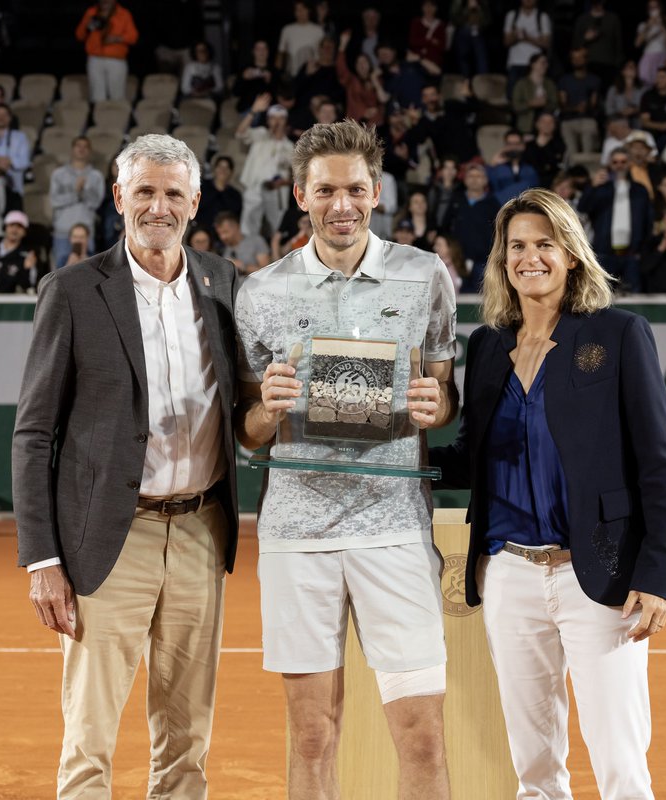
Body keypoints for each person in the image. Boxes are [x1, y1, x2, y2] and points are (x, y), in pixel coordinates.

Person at [429, 187, 666, 800]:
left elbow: (660, 463)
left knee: (620, 764)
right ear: (501, 260)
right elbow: (472, 456)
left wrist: (659, 574)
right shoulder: (488, 345)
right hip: (510, 574)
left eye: (545, 244)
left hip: (598, 574)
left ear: (571, 255)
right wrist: (394, 464)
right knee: (534, 769)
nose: (529, 257)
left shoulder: (620, 334)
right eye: (516, 246)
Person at [233, 119, 457, 800]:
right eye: (325, 189)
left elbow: (442, 397)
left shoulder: (426, 277)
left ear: (377, 191)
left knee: (420, 733)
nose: (341, 204)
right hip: (298, 537)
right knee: (312, 734)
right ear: (301, 194)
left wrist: (434, 407)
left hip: (394, 531)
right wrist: (268, 410)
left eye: (354, 189)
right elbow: (249, 433)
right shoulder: (260, 292)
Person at [12, 133, 239, 799]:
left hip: (202, 531)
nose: (158, 206)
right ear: (119, 198)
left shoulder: (225, 284)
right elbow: (33, 433)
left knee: (187, 738)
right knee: (90, 740)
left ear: (194, 202)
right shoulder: (74, 290)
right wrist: (42, 560)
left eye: (173, 193)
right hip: (111, 535)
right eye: (145, 191)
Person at [578, 147, 652, 293]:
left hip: (632, 254)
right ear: (610, 164)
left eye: (623, 161)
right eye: (615, 162)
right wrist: (592, 186)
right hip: (605, 252)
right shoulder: (601, 188)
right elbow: (583, 208)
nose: (619, 165)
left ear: (629, 163)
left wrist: (642, 250)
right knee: (601, 297)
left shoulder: (640, 190)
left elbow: (647, 221)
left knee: (634, 297)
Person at [236, 97, 294, 237]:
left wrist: (284, 182)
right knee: (248, 226)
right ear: (268, 121)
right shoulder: (260, 134)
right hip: (255, 186)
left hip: (278, 191)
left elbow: (296, 175)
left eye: (281, 118)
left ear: (286, 121)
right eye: (273, 118)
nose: (277, 122)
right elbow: (240, 133)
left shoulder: (291, 146)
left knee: (278, 229)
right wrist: (253, 111)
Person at [49, 136, 104, 268]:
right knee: (60, 274)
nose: (81, 149)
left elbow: (96, 203)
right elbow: (55, 200)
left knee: (88, 275)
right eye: (78, 146)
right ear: (72, 149)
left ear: (89, 151)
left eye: (85, 146)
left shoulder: (96, 176)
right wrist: (75, 192)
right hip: (62, 232)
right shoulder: (58, 174)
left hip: (86, 234)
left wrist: (82, 192)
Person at [76, 0, 139, 102]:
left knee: (117, 95)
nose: (105, 2)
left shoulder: (123, 13)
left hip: (116, 60)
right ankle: (99, 117)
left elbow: (133, 37)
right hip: (95, 59)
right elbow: (79, 35)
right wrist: (87, 27)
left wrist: (117, 38)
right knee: (97, 96)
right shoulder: (91, 12)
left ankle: (117, 118)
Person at [452, 162, 501, 293]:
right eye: (471, 176)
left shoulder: (493, 204)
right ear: (465, 179)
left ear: (485, 180)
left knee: (482, 300)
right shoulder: (456, 200)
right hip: (457, 260)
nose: (474, 179)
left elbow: (500, 231)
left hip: (483, 261)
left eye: (478, 176)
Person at [214, 210, 269, 274]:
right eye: (219, 234)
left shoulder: (256, 241)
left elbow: (266, 272)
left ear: (236, 227)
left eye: (225, 232)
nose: (222, 237)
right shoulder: (224, 249)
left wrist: (243, 267)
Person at [195, 155, 243, 230]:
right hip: (201, 231)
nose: (223, 170)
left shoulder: (235, 195)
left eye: (226, 168)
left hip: (225, 235)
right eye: (220, 166)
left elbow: (236, 217)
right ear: (214, 169)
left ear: (231, 172)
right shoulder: (202, 187)